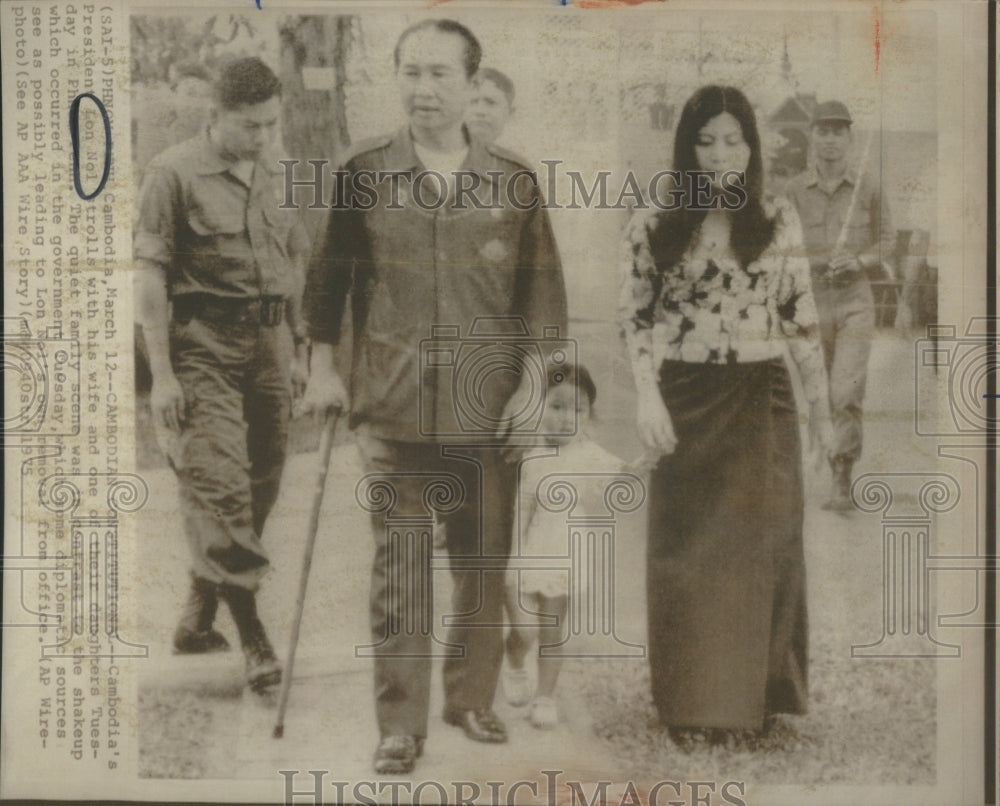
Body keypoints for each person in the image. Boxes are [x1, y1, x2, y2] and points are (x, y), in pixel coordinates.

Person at [302, 19, 567, 774]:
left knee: (483, 565)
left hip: (487, 411)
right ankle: (399, 723)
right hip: (393, 405)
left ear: (471, 83)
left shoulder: (514, 179)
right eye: (410, 73)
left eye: (438, 75)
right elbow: (328, 287)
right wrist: (323, 368)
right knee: (402, 572)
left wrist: (536, 388)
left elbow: (542, 297)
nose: (422, 90)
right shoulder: (363, 172)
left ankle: (472, 699)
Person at [618, 85, 833, 750]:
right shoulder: (654, 220)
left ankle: (751, 704)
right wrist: (647, 397)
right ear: (686, 148)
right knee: (690, 555)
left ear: (751, 146)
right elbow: (636, 318)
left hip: (762, 397)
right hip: (685, 398)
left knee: (759, 550)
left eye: (732, 141)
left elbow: (801, 318)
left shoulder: (776, 215)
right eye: (704, 142)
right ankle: (692, 706)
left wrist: (821, 413)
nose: (718, 155)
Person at [135, 57, 310, 693]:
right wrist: (163, 376)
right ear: (215, 116)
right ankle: (254, 636)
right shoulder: (172, 173)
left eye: (270, 123)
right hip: (201, 340)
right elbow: (150, 275)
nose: (261, 137)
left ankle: (199, 611)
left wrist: (299, 347)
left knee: (263, 478)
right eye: (248, 125)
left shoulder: (281, 171)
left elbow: (295, 258)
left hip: (268, 342)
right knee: (220, 483)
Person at [501, 363, 625, 729]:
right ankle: (513, 660)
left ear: (588, 416)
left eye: (576, 409)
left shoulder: (586, 451)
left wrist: (645, 463)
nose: (564, 418)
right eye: (555, 406)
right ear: (535, 406)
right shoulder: (525, 450)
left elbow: (620, 473)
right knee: (524, 629)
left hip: (564, 553)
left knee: (552, 630)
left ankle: (545, 697)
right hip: (521, 550)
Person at [784, 101, 894, 511]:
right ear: (812, 137)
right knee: (819, 391)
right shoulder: (794, 190)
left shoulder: (868, 186)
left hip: (853, 301)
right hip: (810, 303)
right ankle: (820, 460)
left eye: (838, 132)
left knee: (845, 388)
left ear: (849, 138)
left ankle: (841, 475)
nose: (830, 140)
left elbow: (886, 239)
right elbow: (782, 244)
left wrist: (861, 260)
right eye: (823, 131)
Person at [465, 66, 516, 145]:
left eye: (490, 102)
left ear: (509, 113)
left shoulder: (510, 156)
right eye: (472, 102)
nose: (480, 111)